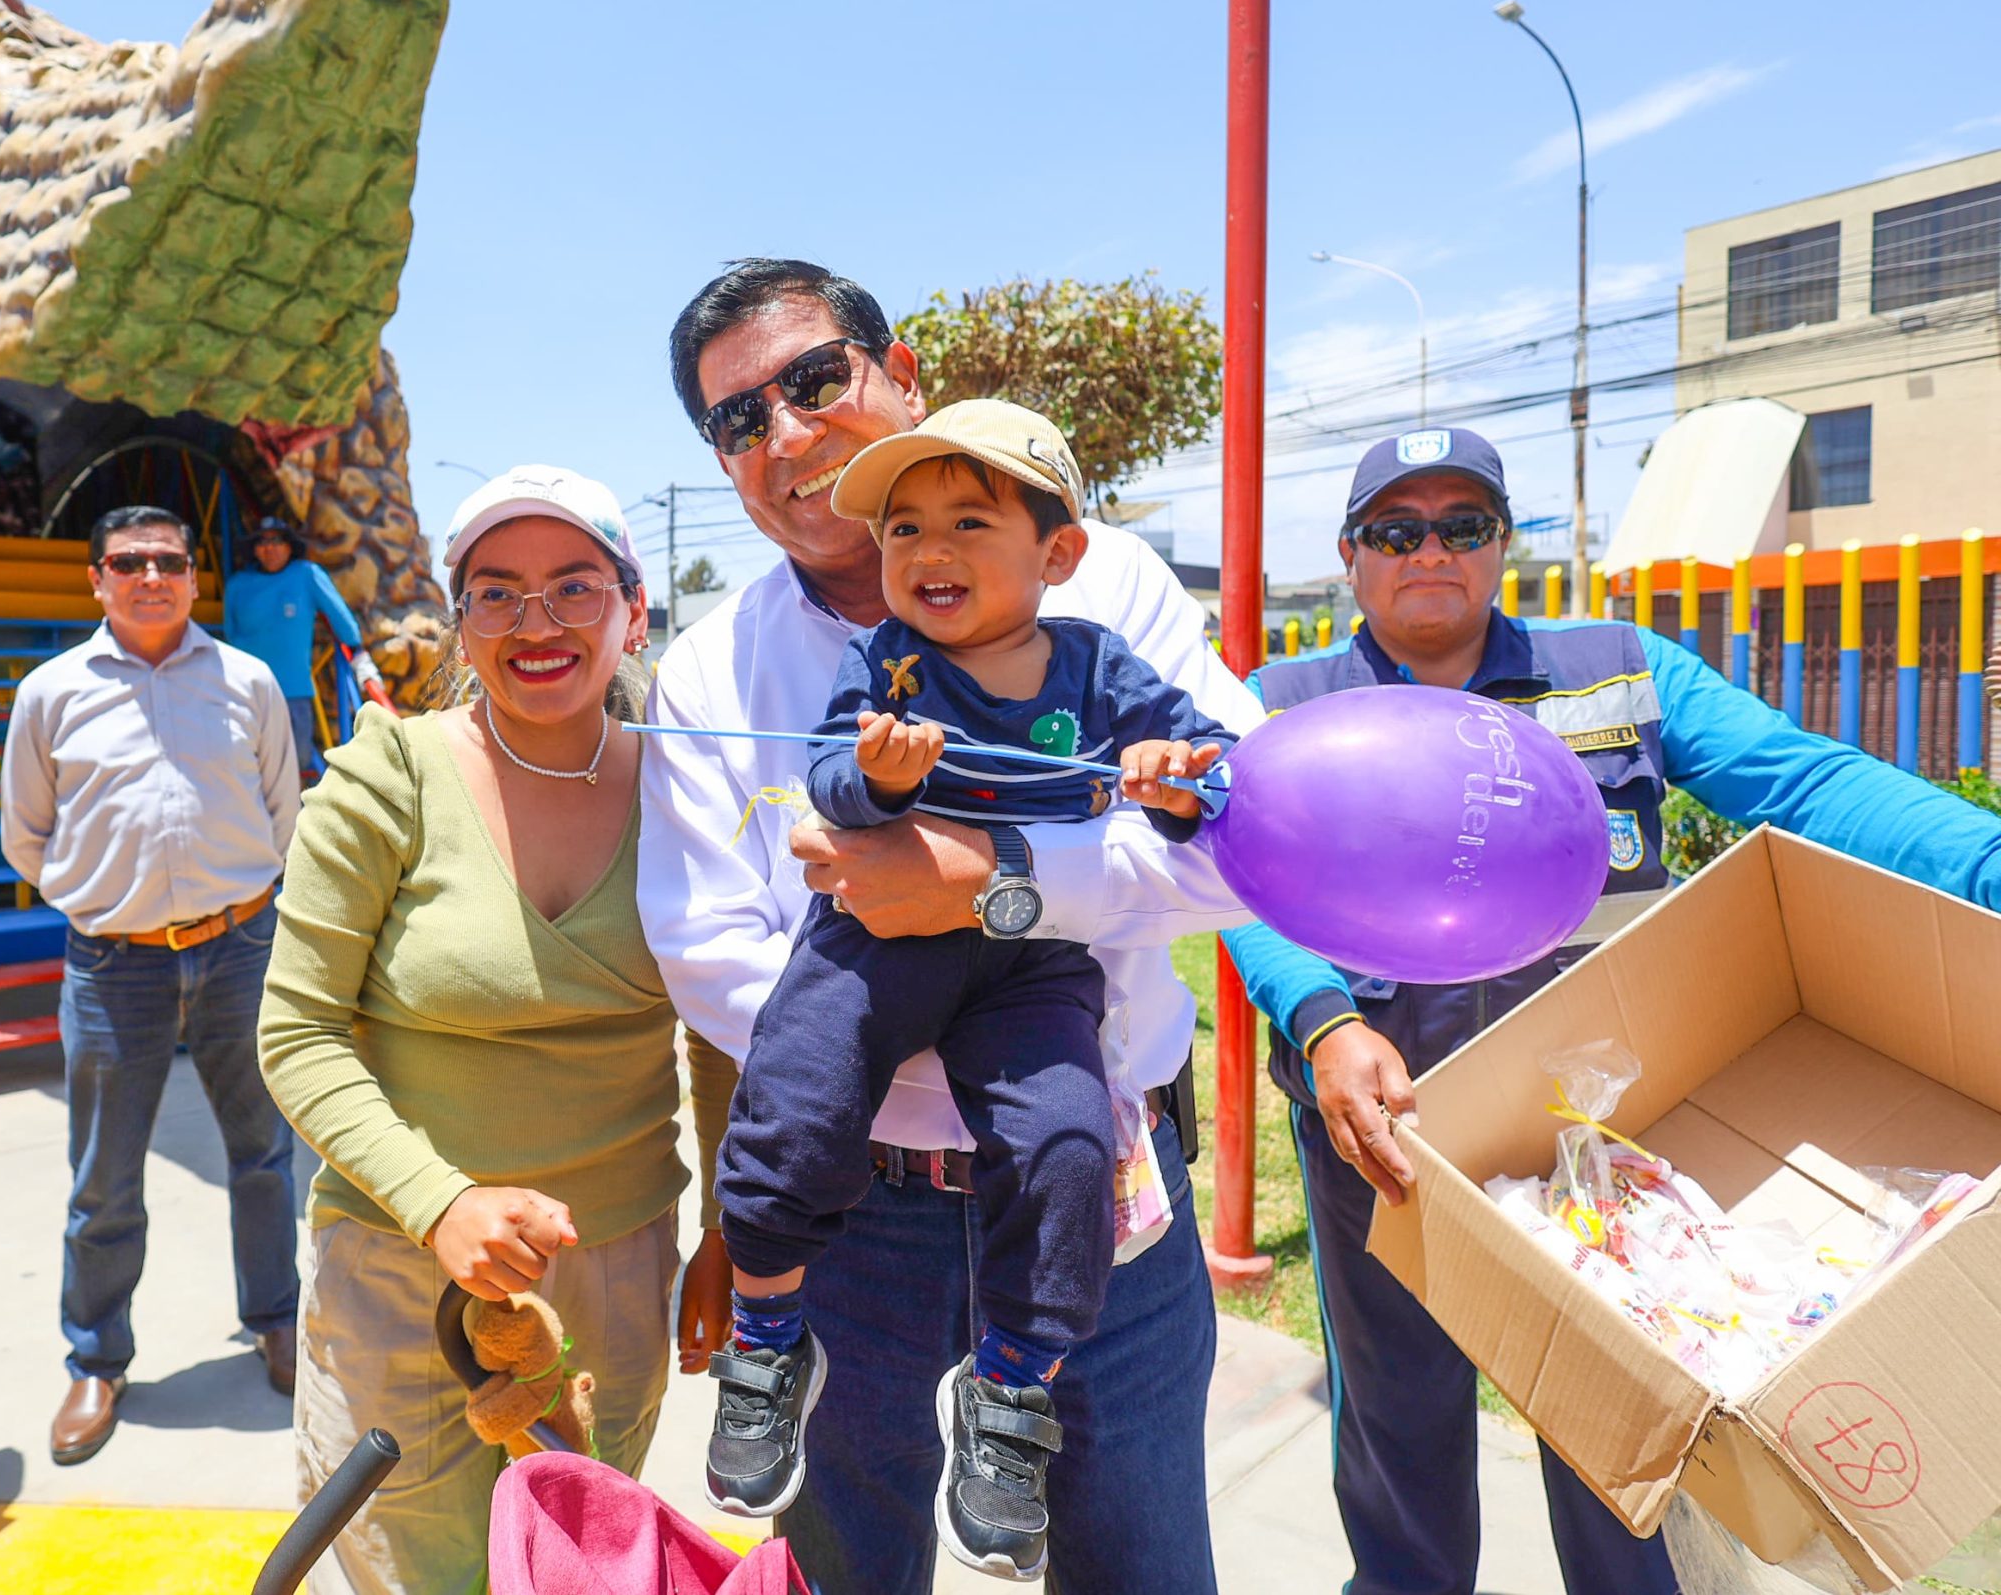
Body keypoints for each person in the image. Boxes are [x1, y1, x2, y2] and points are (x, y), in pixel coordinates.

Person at [1221, 426, 2001, 1595]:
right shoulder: (1279, 704)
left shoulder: (1617, 667)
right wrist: (1325, 1021)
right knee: (1397, 1428)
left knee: (1622, 1440)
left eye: (1462, 525)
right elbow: (1232, 887)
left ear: (1502, 545)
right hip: (1382, 1121)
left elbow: (1802, 781)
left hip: (1595, 1121)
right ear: (1349, 555)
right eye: (1396, 529)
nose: (1428, 550)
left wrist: (1986, 863)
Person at [639, 260, 1263, 1595]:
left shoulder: (1115, 605)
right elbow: (706, 950)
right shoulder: (709, 668)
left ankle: (1016, 1389)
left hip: (1094, 1177)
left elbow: (1247, 842)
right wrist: (901, 1025)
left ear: (900, 370)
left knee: (1143, 1556)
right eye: (738, 421)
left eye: (815, 379)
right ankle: (773, 1344)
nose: (787, 435)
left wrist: (993, 880)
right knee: (848, 1561)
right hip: (851, 1214)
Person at [258, 466, 736, 1595]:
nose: (537, 624)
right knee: (411, 1571)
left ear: (633, 609)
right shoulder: (390, 777)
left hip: (611, 1273)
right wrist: (443, 1204)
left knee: (573, 1567)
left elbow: (718, 1038)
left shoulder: (684, 793)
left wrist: (723, 1231)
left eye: (575, 588)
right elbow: (296, 1032)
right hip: (395, 1272)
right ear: (459, 621)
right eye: (496, 593)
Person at [0, 504, 307, 1466]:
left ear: (191, 575)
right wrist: (103, 901)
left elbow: (283, 808)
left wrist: (243, 905)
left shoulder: (247, 681)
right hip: (111, 966)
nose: (149, 576)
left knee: (262, 1157)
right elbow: (26, 835)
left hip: (237, 950)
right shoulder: (50, 694)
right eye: (126, 561)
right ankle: (96, 1360)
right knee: (104, 1178)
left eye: (168, 561)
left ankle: (278, 1321)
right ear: (96, 578)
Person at [222, 514, 379, 769]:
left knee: (295, 765)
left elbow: (339, 616)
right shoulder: (237, 585)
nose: (269, 548)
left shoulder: (307, 574)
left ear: (289, 546)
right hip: (245, 693)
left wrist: (358, 653)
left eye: (277, 541)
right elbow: (230, 632)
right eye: (262, 542)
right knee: (244, 765)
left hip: (293, 692)